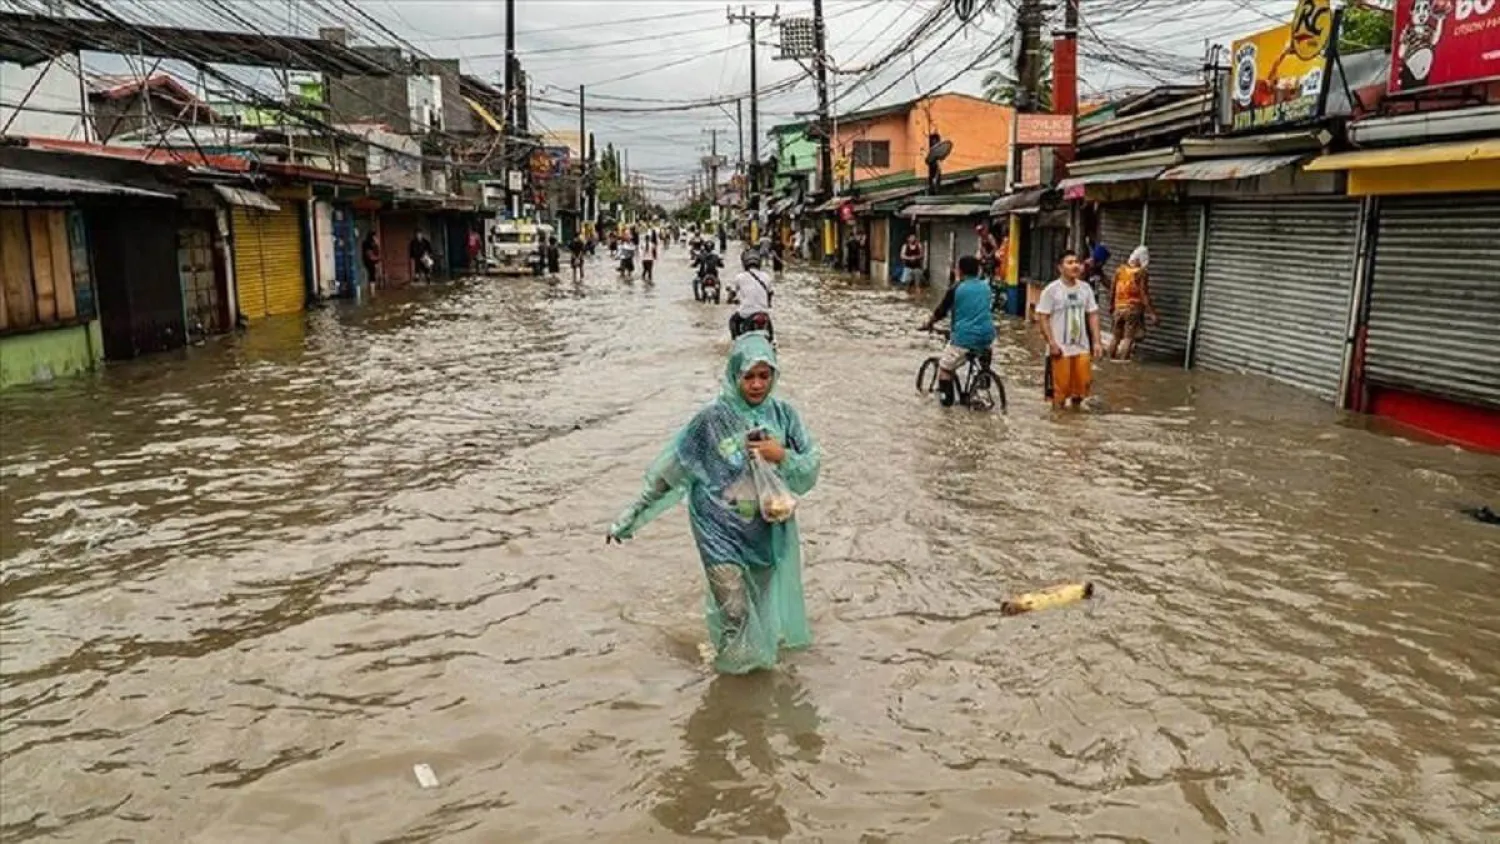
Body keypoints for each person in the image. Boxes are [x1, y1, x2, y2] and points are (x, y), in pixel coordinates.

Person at [607, 333, 820, 674]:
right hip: (717, 528)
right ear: (734, 375)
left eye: (764, 376)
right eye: (748, 376)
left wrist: (781, 455)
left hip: (765, 528)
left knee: (762, 607)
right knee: (735, 609)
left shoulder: (785, 418)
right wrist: (632, 516)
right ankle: (732, 677)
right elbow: (670, 472)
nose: (755, 384)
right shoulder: (710, 421)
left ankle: (754, 669)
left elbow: (811, 466)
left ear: (774, 377)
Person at [920, 255, 995, 407]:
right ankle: (982, 384)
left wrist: (928, 323)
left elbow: (941, 311)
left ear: (959, 270)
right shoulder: (986, 287)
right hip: (987, 336)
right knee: (981, 360)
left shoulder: (956, 288)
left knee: (945, 368)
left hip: (964, 337)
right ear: (978, 270)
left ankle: (946, 406)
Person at [1037, 249, 1104, 409]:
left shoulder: (1085, 289)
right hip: (1060, 349)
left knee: (1080, 393)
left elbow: (1093, 315)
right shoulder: (1051, 290)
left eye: (1077, 262)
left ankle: (1075, 427)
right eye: (1070, 262)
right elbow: (1043, 317)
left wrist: (1097, 342)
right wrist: (1051, 343)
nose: (1075, 266)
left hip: (1081, 348)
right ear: (1060, 268)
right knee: (1059, 395)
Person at [1108, 246, 1159, 361]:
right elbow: (1144, 294)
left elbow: (1112, 290)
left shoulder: (1119, 270)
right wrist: (1152, 314)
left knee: (1115, 337)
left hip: (1118, 308)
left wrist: (1111, 306)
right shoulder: (1141, 273)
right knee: (1128, 338)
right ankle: (1122, 362)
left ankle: (1109, 360)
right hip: (1132, 309)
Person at [730, 252, 774, 342]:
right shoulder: (767, 276)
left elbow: (733, 293)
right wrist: (768, 303)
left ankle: (736, 341)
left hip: (746, 312)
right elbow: (770, 293)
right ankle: (772, 342)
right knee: (770, 326)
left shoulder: (739, 277)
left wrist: (730, 299)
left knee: (733, 321)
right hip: (763, 311)